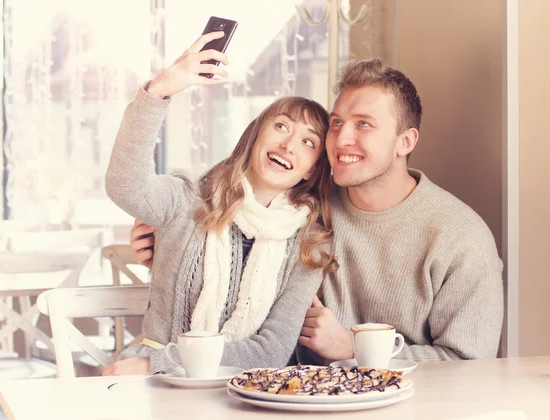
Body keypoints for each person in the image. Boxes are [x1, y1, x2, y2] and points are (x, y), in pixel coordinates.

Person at [131, 57, 504, 364]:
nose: (341, 139)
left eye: (364, 125)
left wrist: (358, 352)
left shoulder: (461, 238)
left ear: (405, 141)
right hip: (289, 400)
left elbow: (470, 365)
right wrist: (170, 241)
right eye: (337, 123)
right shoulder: (300, 210)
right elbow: (227, 228)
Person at [102, 31, 336, 376]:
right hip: (157, 383)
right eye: (281, 126)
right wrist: (161, 90)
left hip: (244, 389)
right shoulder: (187, 199)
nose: (289, 144)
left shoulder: (310, 243)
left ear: (312, 168)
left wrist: (161, 364)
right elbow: (124, 185)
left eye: (308, 142)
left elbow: (270, 351)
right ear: (256, 135)